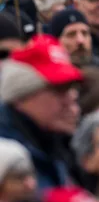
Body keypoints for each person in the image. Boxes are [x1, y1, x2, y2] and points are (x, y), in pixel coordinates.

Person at [0, 36, 82, 189]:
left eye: (72, 88)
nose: (71, 100)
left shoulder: (54, 142)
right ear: (22, 95)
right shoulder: (5, 158)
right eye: (60, 89)